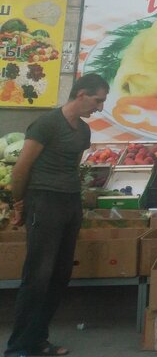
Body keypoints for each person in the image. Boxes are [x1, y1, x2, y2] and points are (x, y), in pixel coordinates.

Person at [4, 73, 109, 357]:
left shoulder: (83, 131)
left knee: (59, 275)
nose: (99, 107)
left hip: (69, 203)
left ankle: (38, 339)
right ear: (80, 94)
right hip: (43, 201)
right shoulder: (47, 124)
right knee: (38, 276)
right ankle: (18, 346)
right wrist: (19, 204)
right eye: (97, 100)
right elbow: (21, 168)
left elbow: (72, 167)